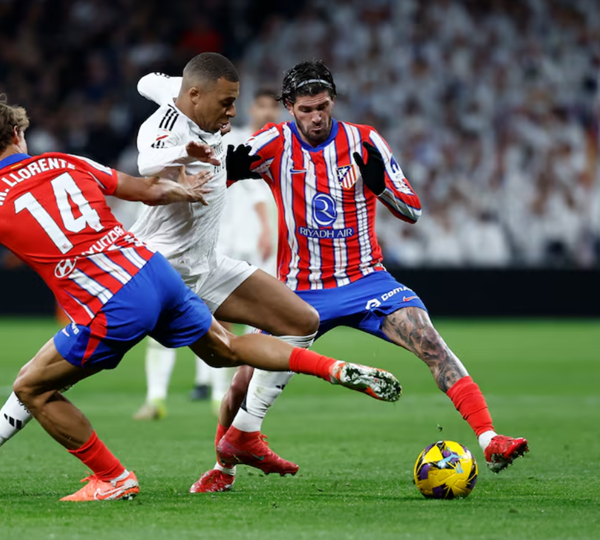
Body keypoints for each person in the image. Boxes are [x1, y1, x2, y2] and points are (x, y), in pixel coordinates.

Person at [0, 94, 402, 502]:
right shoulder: (64, 161)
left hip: (111, 300)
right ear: (19, 134)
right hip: (152, 268)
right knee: (226, 350)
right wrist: (184, 191)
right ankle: (331, 365)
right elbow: (142, 190)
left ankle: (111, 476)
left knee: (32, 385)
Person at [188, 60, 529, 493]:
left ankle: (489, 438)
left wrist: (380, 185)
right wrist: (226, 173)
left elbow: (413, 210)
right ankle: (225, 468)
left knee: (431, 343)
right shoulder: (272, 142)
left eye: (323, 107)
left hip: (366, 280)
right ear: (289, 107)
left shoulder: (365, 142)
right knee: (241, 381)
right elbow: (208, 189)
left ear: (333, 102)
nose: (316, 117)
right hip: (299, 288)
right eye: (306, 109)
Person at [132, 85, 280, 420]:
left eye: (273, 107)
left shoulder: (272, 144)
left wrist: (269, 230)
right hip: (206, 240)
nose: (267, 113)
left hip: (245, 245)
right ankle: (160, 397)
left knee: (234, 321)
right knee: (172, 315)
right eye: (260, 106)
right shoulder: (229, 136)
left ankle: (221, 394)